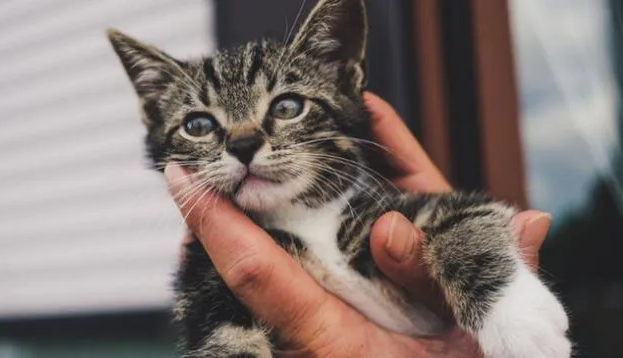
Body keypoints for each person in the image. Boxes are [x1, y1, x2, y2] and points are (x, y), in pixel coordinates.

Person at [164, 93, 552, 357]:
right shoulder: (217, 272)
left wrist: (492, 291)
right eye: (199, 125)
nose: (244, 141)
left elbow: (469, 217)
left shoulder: (373, 213)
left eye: (285, 106)